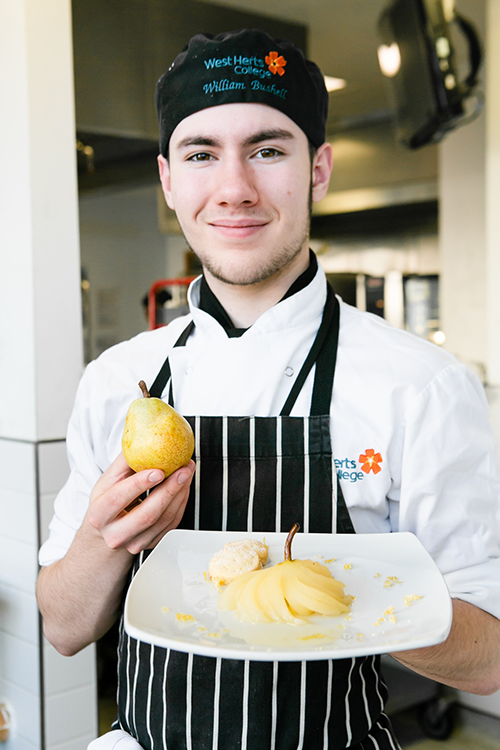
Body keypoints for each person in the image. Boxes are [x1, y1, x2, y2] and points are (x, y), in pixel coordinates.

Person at [37, 28, 500, 750]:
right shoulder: (117, 384)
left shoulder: (424, 386)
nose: (234, 189)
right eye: (200, 154)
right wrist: (103, 540)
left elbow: (488, 661)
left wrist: (349, 594)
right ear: (168, 179)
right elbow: (63, 628)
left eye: (268, 149)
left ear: (318, 169)